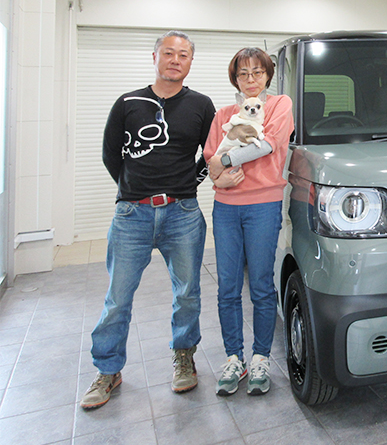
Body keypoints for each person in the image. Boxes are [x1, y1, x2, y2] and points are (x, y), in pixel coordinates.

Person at [80, 31, 216, 410]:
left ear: (191, 62)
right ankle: (108, 370)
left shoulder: (202, 105)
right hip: (132, 215)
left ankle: (184, 356)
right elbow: (111, 155)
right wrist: (132, 188)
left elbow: (211, 153)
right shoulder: (128, 103)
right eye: (168, 53)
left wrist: (189, 183)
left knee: (187, 292)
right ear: (154, 57)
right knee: (117, 298)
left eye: (183, 55)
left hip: (182, 213)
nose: (175, 60)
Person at [203, 47, 294, 396]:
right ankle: (233, 358)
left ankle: (260, 358)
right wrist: (218, 175)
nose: (251, 79)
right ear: (235, 79)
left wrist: (225, 161)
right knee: (227, 287)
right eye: (243, 73)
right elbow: (209, 160)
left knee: (260, 286)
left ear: (268, 75)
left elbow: (267, 145)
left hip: (263, 206)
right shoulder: (223, 115)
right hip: (225, 207)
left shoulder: (279, 105)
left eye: (257, 72)